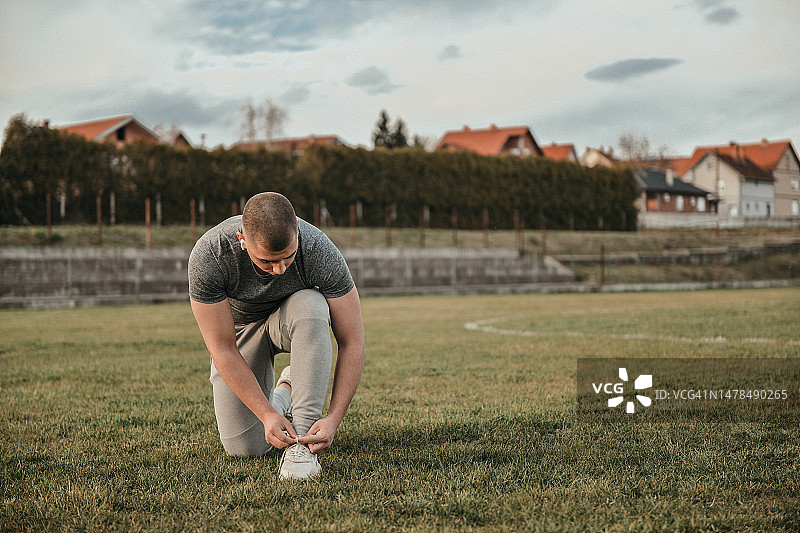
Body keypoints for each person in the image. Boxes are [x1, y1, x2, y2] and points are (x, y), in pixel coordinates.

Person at [188, 192, 365, 480]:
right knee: (245, 448)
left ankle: (303, 445)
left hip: (295, 318)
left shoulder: (320, 249)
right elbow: (222, 349)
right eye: (268, 262)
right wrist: (267, 414)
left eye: (288, 257)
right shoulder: (210, 254)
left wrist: (333, 419)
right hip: (242, 331)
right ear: (242, 240)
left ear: (297, 227)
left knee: (311, 303)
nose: (280, 270)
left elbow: (353, 342)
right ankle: (285, 392)